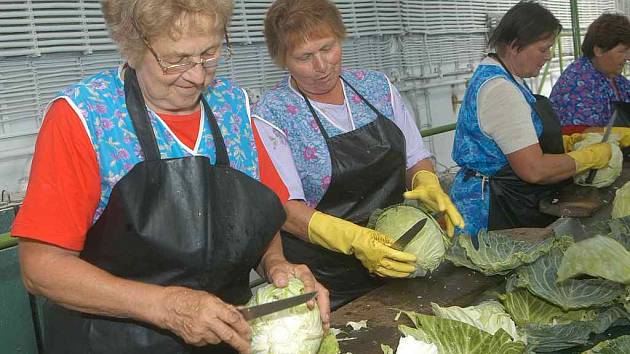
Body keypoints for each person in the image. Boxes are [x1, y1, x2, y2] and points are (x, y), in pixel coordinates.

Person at [11, 0, 329, 353]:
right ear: (132, 46)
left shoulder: (233, 107)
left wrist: (277, 266)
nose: (196, 75)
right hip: (110, 343)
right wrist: (167, 306)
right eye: (175, 59)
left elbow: (259, 216)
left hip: (225, 335)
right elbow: (41, 267)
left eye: (208, 54)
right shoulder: (85, 118)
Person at [252, 0, 464, 309]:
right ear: (283, 59)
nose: (321, 66)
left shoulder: (377, 88)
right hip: (329, 280)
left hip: (399, 259)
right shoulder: (272, 114)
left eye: (328, 48)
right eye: (305, 57)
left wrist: (426, 180)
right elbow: (286, 209)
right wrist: (356, 240)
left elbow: (414, 153)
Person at [449, 1, 613, 244]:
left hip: (493, 198)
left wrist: (561, 142)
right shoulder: (501, 90)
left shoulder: (500, 75)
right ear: (515, 46)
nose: (548, 57)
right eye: (543, 49)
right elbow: (533, 169)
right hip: (494, 211)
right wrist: (587, 158)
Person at [550, 13, 630, 146]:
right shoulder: (577, 83)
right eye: (622, 51)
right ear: (599, 50)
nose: (628, 57)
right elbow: (580, 135)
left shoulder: (614, 77)